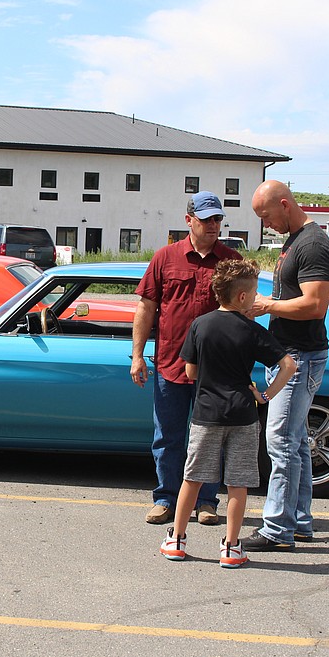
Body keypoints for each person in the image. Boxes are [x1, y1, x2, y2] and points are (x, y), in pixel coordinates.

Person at [161, 260, 296, 567]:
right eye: (254, 292)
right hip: (243, 415)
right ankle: (232, 547)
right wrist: (265, 395)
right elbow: (288, 365)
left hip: (207, 413)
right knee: (238, 482)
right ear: (242, 298)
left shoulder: (201, 324)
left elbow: (190, 371)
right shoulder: (252, 330)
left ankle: (177, 540)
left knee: (192, 477)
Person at [131, 191, 243, 527]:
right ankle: (165, 498)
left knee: (208, 436)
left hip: (216, 370)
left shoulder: (230, 260)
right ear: (188, 221)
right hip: (170, 364)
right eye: (206, 219)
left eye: (217, 219)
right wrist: (138, 356)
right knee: (168, 434)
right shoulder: (165, 258)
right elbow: (146, 308)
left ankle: (206, 502)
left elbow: (242, 312)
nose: (213, 225)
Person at [243, 180, 329, 551]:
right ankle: (298, 522)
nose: (266, 225)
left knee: (280, 442)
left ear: (285, 204)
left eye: (266, 216)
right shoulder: (296, 239)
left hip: (300, 356)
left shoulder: (313, 244)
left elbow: (316, 305)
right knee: (296, 443)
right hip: (290, 353)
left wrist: (267, 306)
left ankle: (276, 529)